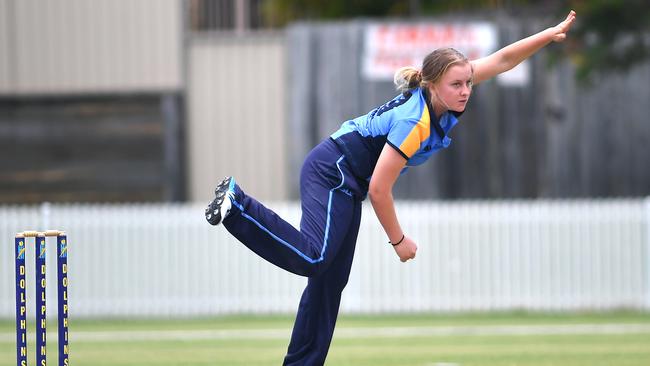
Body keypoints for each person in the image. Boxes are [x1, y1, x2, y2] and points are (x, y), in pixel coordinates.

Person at [205, 10, 576, 365]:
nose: (465, 91)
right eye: (457, 85)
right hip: (331, 171)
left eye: (467, 83)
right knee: (314, 258)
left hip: (349, 183)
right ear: (432, 85)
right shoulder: (414, 122)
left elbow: (504, 59)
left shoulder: (442, 96)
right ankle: (237, 205)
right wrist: (399, 241)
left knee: (329, 283)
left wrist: (549, 34)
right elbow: (381, 190)